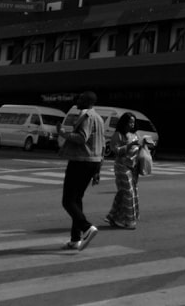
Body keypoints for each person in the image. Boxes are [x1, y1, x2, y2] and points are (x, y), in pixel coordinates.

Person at [59, 91, 105, 251]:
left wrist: (64, 134)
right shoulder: (99, 118)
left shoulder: (86, 116)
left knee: (67, 201)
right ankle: (75, 239)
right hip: (93, 162)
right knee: (77, 200)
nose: (76, 100)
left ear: (86, 101)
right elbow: (102, 145)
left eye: (79, 98)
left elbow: (81, 138)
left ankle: (86, 228)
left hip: (80, 161)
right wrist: (98, 170)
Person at [105, 112, 143, 230]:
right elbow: (115, 150)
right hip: (122, 166)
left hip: (133, 167)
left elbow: (138, 148)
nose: (132, 124)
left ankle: (113, 216)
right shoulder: (119, 134)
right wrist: (129, 145)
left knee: (124, 192)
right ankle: (129, 221)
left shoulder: (135, 134)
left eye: (133, 122)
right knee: (128, 193)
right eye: (130, 122)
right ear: (124, 122)